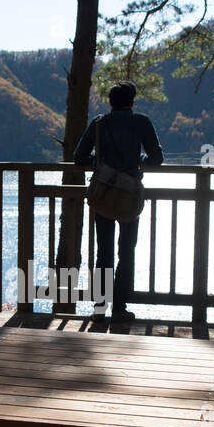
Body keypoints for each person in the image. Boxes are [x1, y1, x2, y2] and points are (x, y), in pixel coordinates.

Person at [73, 81, 163, 323]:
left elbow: (78, 157)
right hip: (130, 193)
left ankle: (100, 307)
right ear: (132, 101)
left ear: (110, 102)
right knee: (127, 250)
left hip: (103, 192)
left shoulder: (99, 123)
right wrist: (137, 161)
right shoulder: (142, 122)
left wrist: (100, 165)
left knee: (104, 251)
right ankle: (120, 308)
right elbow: (157, 158)